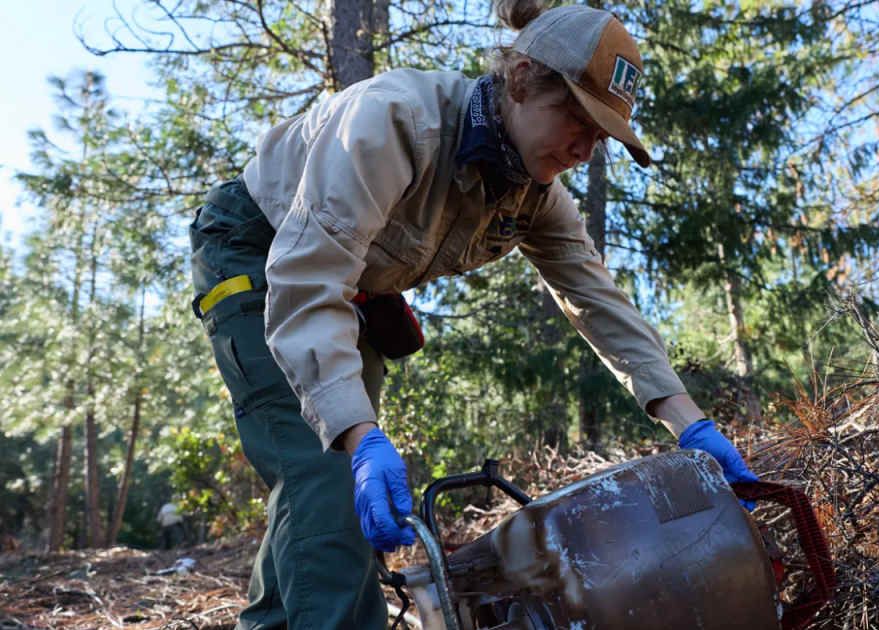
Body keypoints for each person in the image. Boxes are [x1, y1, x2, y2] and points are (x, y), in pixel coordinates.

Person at [188, 1, 758, 628]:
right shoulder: (394, 123)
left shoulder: (534, 195)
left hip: (348, 289)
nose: (585, 151)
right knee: (328, 471)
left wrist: (690, 425)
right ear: (521, 80)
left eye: (601, 137)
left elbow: (599, 302)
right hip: (258, 252)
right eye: (578, 120)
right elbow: (307, 279)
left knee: (320, 495)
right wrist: (359, 436)